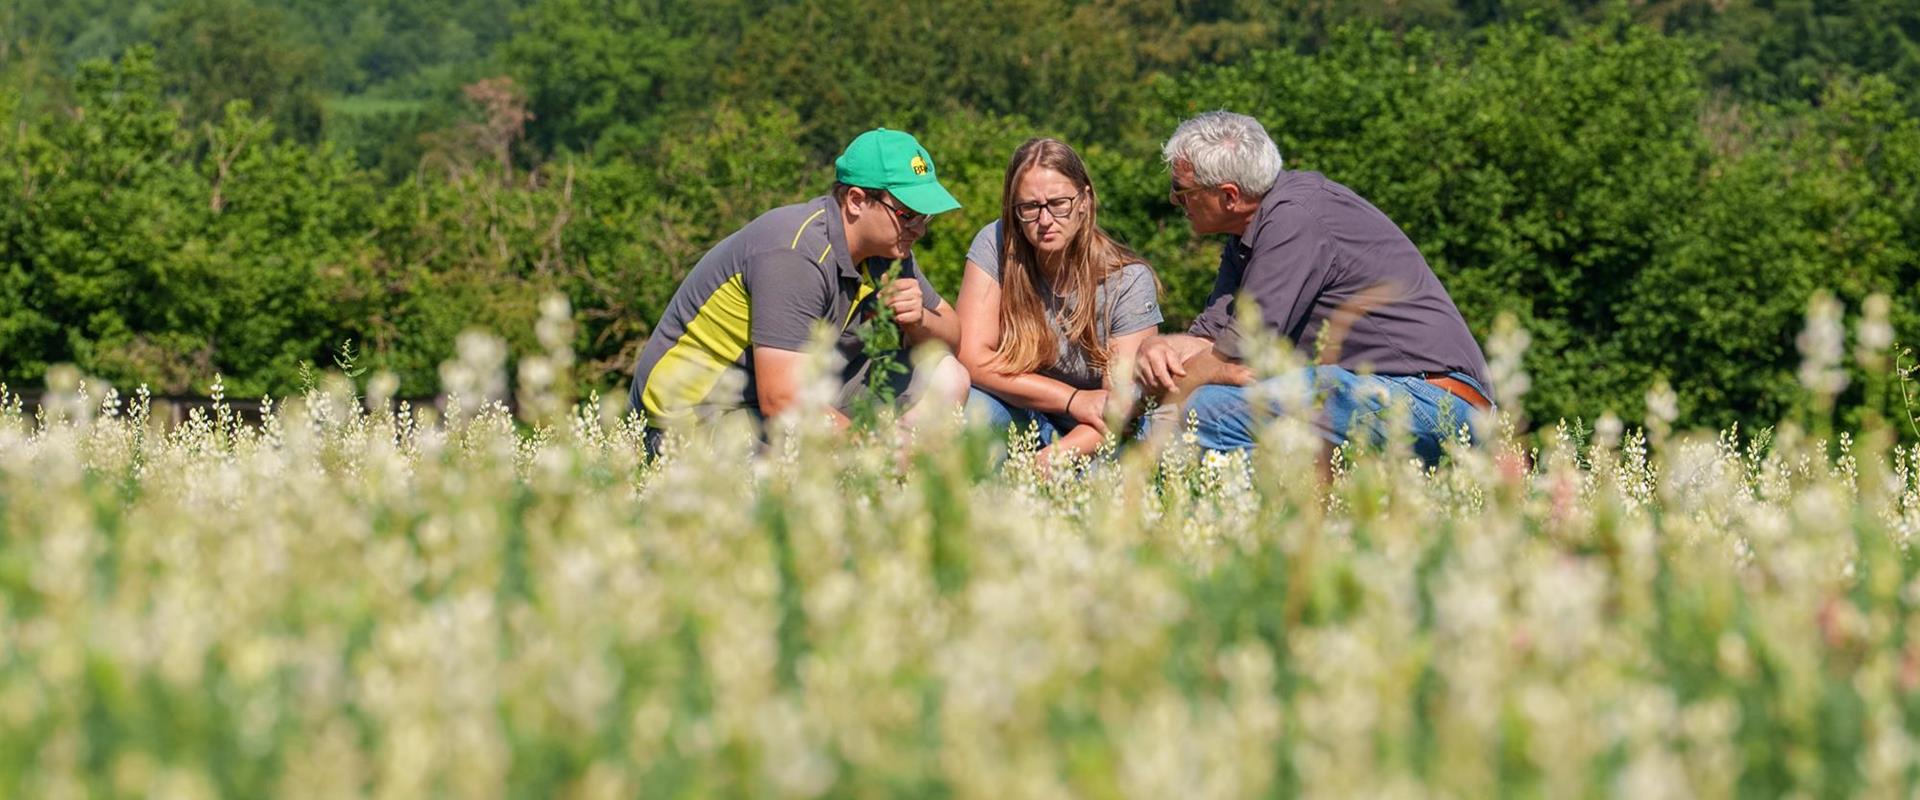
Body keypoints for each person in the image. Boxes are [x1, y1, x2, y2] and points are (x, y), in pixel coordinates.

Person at [1135, 111, 1494, 465]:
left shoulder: (1294, 218)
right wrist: (1154, 348)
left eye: (1181, 191)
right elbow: (1212, 343)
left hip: (1435, 402)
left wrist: (1163, 394)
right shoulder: (1246, 233)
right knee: (1186, 416)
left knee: (1205, 412)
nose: (1173, 200)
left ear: (1229, 196)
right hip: (1378, 394)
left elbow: (1239, 354)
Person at [629, 128, 969, 451]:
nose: (919, 230)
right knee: (799, 488)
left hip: (781, 400)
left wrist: (920, 321)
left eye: (925, 217)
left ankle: (902, 490)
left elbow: (952, 338)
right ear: (855, 200)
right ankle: (880, 484)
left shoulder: (890, 246)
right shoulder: (794, 252)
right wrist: (874, 454)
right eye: (908, 214)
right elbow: (783, 402)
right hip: (692, 422)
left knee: (947, 375)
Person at [956, 137, 1162, 468]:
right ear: (1014, 210)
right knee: (968, 409)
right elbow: (970, 355)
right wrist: (1072, 399)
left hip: (1097, 432)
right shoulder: (996, 243)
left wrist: (1054, 458)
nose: (1045, 220)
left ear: (1085, 200)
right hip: (1022, 412)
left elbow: (1120, 408)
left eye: (1059, 203)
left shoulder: (1129, 281)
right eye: (1030, 207)